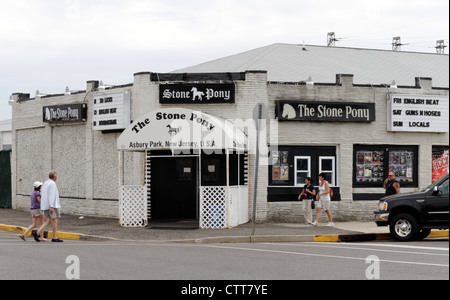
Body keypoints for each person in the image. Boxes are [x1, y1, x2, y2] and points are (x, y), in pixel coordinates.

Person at [34, 170, 63, 243]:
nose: (57, 177)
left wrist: (46, 205)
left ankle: (37, 232)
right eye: (56, 176)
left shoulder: (46, 183)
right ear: (55, 177)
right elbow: (51, 195)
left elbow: (42, 194)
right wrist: (51, 206)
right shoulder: (52, 184)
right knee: (55, 220)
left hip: (46, 205)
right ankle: (54, 237)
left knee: (48, 220)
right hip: (52, 205)